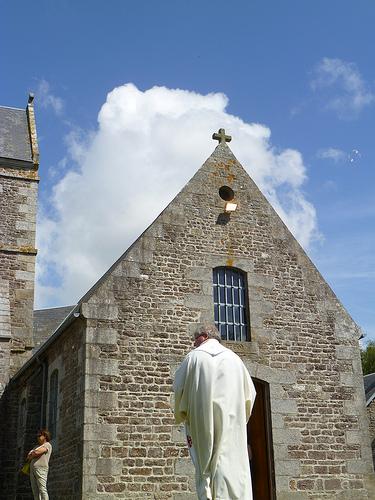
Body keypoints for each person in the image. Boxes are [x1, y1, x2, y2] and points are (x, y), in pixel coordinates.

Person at [173, 324, 256, 500]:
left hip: (201, 420)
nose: (194, 345)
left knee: (205, 466)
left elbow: (178, 388)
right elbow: (251, 394)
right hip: (231, 422)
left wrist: (184, 413)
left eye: (194, 340)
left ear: (202, 337)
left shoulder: (192, 358)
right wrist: (240, 418)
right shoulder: (235, 360)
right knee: (230, 464)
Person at [27, 429, 52, 500]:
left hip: (41, 469)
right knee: (35, 491)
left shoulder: (47, 445)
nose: (37, 437)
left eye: (39, 435)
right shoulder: (36, 446)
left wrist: (33, 452)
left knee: (42, 489)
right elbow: (28, 457)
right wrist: (34, 453)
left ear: (45, 436)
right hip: (33, 470)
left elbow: (36, 453)